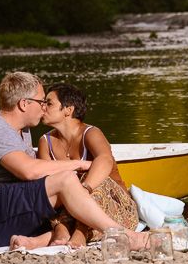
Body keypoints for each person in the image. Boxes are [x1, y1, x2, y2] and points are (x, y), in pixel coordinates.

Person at [0, 71, 148, 251]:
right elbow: (29, 171)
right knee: (66, 180)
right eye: (41, 101)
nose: (43, 107)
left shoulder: (23, 130)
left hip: (11, 214)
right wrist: (79, 164)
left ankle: (41, 240)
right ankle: (124, 236)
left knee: (75, 202)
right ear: (24, 104)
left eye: (47, 102)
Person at [37, 83, 139, 247]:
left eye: (49, 103)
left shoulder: (91, 133)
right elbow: (46, 179)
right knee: (49, 186)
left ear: (68, 110)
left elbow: (105, 160)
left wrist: (84, 190)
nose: (43, 107)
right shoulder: (45, 141)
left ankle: (81, 232)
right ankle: (61, 228)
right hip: (69, 209)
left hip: (114, 205)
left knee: (95, 178)